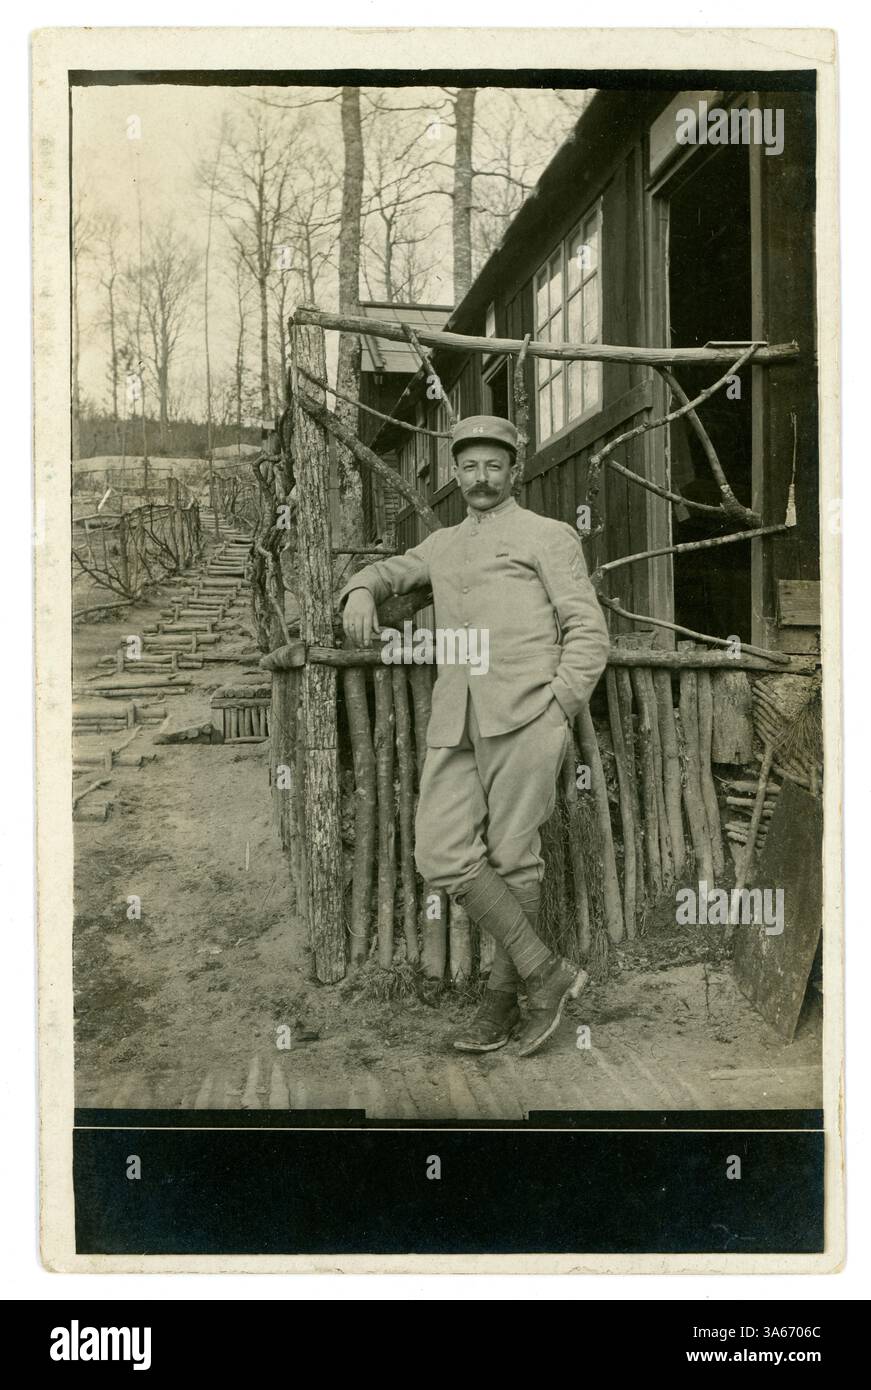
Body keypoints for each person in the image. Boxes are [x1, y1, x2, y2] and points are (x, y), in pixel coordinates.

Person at [341, 414, 610, 1056]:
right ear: (455, 475)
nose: (481, 478)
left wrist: (555, 709)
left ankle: (500, 1006)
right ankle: (546, 973)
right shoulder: (442, 545)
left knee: (516, 858)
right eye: (469, 467)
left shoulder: (549, 536)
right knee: (439, 851)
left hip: (525, 716)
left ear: (515, 471)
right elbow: (389, 572)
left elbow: (588, 632)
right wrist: (357, 591)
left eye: (494, 465)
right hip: (455, 718)